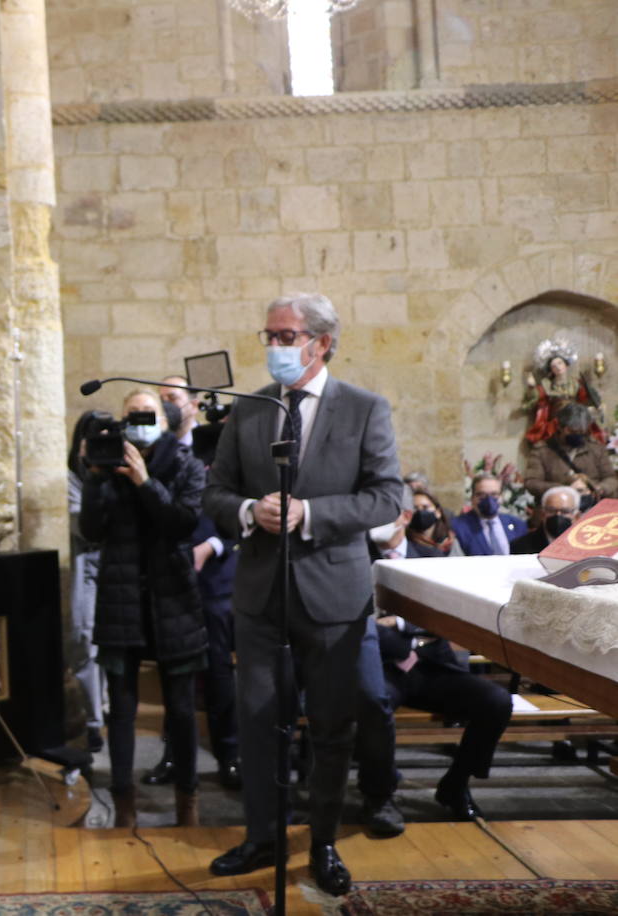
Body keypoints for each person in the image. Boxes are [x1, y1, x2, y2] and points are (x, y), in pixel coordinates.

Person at [205, 292, 401, 897]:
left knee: (332, 726)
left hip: (332, 592)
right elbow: (214, 494)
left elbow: (386, 498)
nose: (272, 347)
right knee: (260, 719)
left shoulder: (364, 408)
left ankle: (322, 842)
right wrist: (247, 509)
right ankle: (263, 834)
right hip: (261, 592)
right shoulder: (250, 408)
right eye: (268, 335)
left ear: (321, 342)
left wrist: (309, 513)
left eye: (284, 336)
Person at [78, 389, 207, 828]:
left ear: (168, 423)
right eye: (131, 414)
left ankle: (187, 801)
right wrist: (95, 476)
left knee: (183, 710)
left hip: (174, 599)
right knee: (122, 710)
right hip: (122, 601)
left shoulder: (187, 467)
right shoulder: (109, 468)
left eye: (147, 415)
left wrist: (143, 481)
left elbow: (183, 522)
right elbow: (91, 530)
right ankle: (124, 803)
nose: (138, 421)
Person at [143, 376, 241, 792]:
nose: (168, 406)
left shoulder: (217, 450)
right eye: (162, 399)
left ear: (195, 404)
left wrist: (212, 546)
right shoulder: (153, 453)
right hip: (170, 582)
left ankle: (230, 756)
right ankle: (174, 756)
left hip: (214, 579)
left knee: (219, 674)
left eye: (175, 399)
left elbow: (239, 518)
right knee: (174, 677)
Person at [363, 612, 513, 821]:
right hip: (380, 664)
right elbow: (353, 620)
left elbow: (446, 612)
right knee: (373, 704)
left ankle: (456, 785)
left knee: (496, 701)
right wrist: (396, 637)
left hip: (432, 664)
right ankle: (378, 797)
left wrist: (400, 623)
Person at [68, 410, 110, 753]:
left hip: (118, 569)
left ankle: (105, 706)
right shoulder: (70, 478)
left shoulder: (122, 473)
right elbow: (84, 527)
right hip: (87, 567)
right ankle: (93, 721)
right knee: (86, 642)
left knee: (113, 645)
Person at [523, 402, 618, 502]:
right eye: (572, 431)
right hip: (556, 503)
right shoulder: (542, 450)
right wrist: (563, 489)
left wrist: (599, 488)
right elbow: (531, 483)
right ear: (560, 427)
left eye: (581, 432)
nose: (577, 435)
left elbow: (611, 478)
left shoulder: (595, 448)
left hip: (591, 503)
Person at [522, 338, 602, 444]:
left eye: (560, 363)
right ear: (551, 370)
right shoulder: (547, 385)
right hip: (557, 422)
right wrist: (531, 387)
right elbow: (537, 399)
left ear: (565, 364)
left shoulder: (576, 383)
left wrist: (592, 407)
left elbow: (585, 400)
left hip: (575, 420)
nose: (558, 367)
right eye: (554, 366)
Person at [451, 473, 525, 556]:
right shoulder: (458, 526)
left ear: (501, 497)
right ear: (472, 498)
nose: (489, 500)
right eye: (482, 495)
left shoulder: (517, 524)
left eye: (494, 494)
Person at [511, 485, 581, 555]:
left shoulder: (584, 546)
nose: (558, 515)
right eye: (551, 510)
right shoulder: (519, 547)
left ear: (576, 516)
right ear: (542, 514)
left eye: (565, 511)